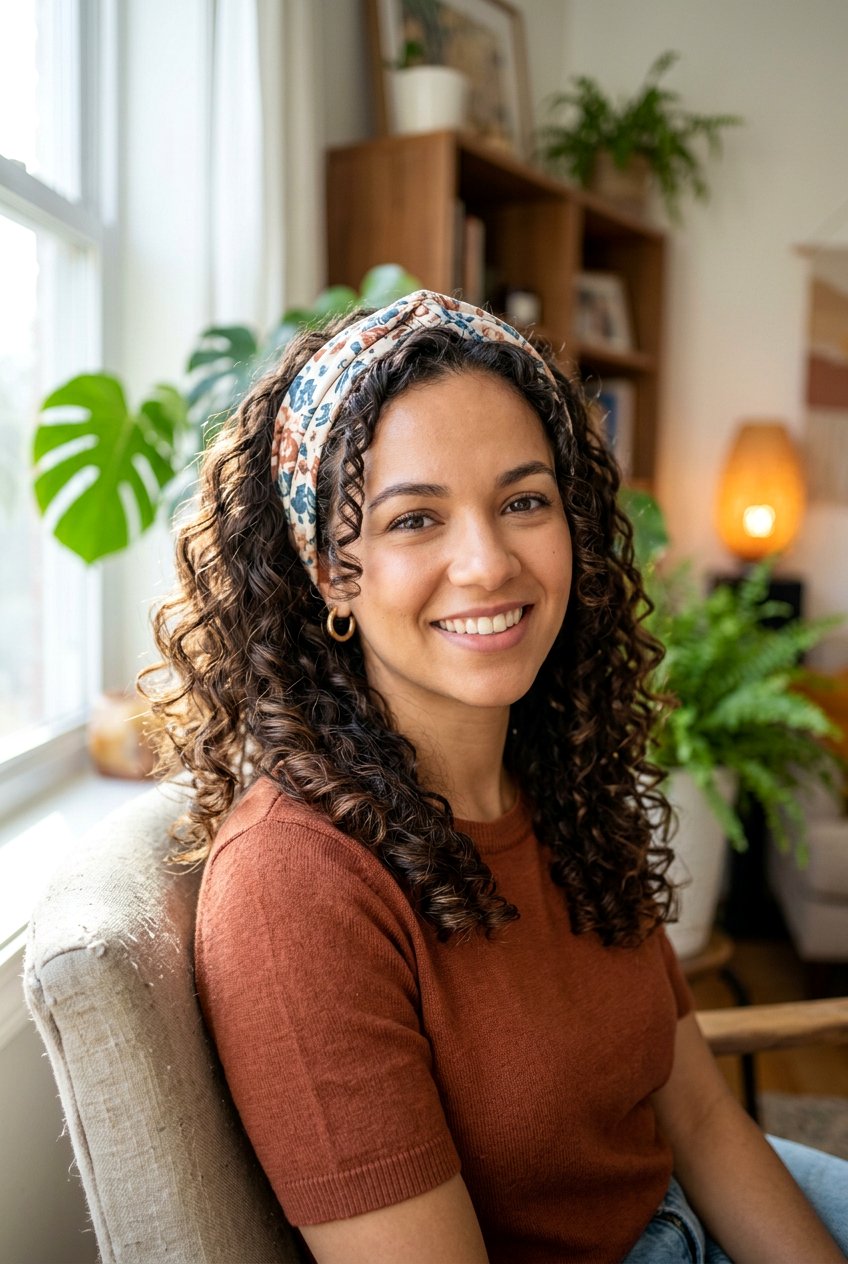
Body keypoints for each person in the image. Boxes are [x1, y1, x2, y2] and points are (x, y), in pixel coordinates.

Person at [142, 291, 847, 1264]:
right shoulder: (293, 885)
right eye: (414, 518)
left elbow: (700, 1121)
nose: (485, 562)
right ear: (329, 573)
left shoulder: (559, 778)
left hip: (692, 1204)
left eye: (522, 500)